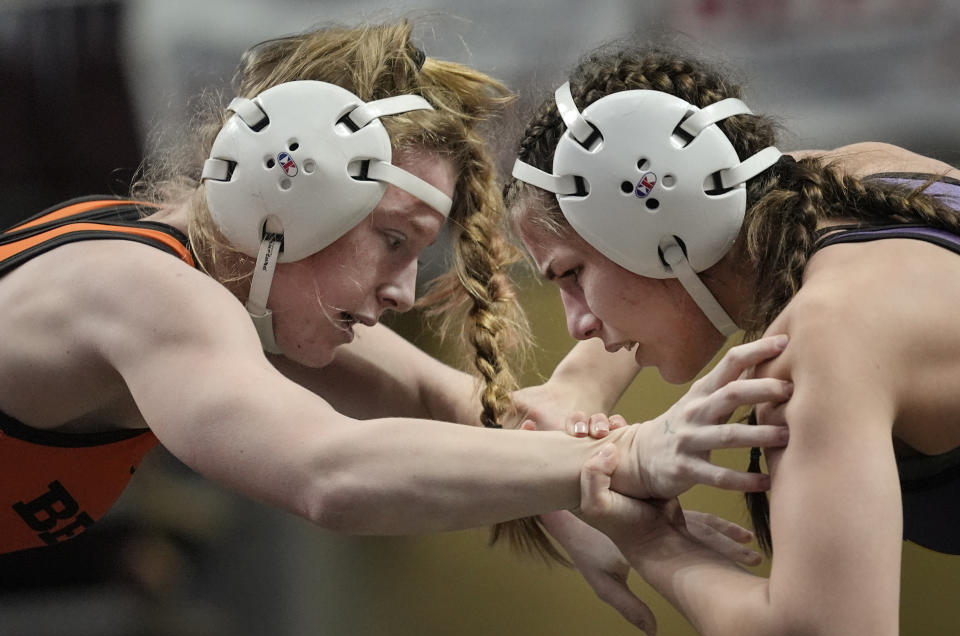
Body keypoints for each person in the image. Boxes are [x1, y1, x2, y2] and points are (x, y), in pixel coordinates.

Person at [0, 19, 791, 594]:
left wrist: (589, 506)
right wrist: (622, 460)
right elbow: (329, 474)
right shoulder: (143, 294)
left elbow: (452, 406)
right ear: (290, 191)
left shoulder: (210, 282)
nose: (404, 292)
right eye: (393, 241)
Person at [508, 41, 960, 636]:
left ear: (659, 230)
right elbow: (692, 199)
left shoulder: (824, 339)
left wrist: (646, 536)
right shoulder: (858, 177)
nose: (577, 324)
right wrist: (573, 387)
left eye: (571, 276)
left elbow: (817, 634)